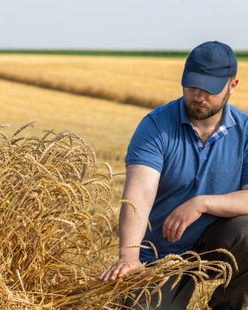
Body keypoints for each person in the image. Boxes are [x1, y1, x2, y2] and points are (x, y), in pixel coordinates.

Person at [99, 41, 248, 310]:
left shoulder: (246, 131)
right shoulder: (156, 126)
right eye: (192, 85)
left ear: (232, 86)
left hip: (216, 244)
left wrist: (202, 203)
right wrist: (129, 257)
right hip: (160, 256)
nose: (198, 96)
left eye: (209, 89)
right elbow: (139, 194)